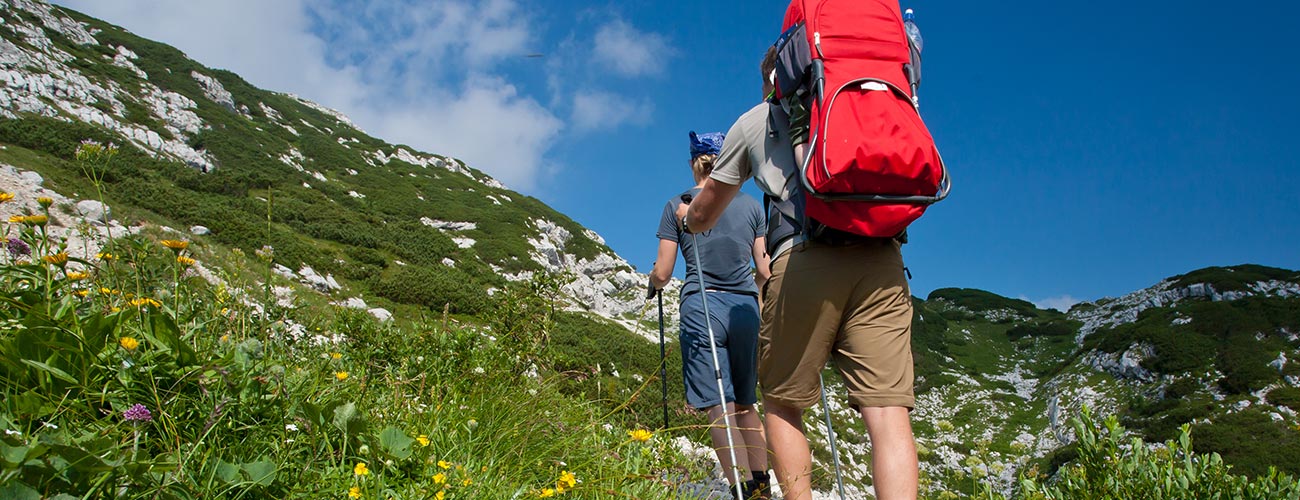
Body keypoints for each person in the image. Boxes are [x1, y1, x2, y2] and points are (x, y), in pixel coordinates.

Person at [675, 48, 919, 500]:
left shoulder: (755, 120)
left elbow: (707, 209)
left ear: (775, 76)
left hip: (805, 253)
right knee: (887, 413)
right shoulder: (864, 98)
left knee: (784, 404)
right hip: (882, 258)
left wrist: (690, 221)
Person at [650, 131, 772, 499]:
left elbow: (665, 271)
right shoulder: (751, 207)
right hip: (745, 308)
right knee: (747, 401)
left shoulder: (678, 204)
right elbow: (764, 268)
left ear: (693, 162)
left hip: (702, 306)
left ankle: (739, 488)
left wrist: (653, 282)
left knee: (719, 404)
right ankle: (762, 487)